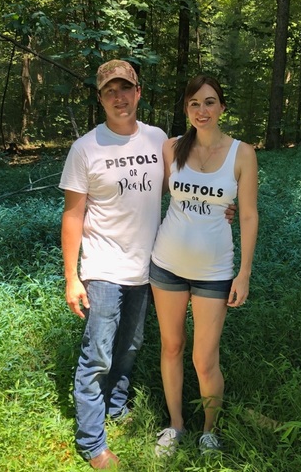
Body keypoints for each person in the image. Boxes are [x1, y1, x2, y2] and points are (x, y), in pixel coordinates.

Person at [59, 59, 167, 469]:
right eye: (110, 91)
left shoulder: (158, 139)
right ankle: (92, 442)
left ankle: (116, 406)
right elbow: (73, 215)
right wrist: (72, 276)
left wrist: (221, 209)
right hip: (102, 267)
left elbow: (182, 186)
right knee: (98, 356)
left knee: (130, 346)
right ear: (101, 98)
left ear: (138, 93)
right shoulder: (86, 148)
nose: (119, 97)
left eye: (125, 89)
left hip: (146, 266)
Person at [150, 75, 259, 457]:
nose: (202, 110)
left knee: (204, 359)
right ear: (186, 109)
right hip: (166, 265)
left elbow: (248, 214)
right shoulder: (171, 148)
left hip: (214, 272)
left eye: (209, 102)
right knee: (172, 346)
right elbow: (151, 195)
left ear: (222, 107)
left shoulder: (242, 154)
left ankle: (209, 432)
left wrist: (244, 273)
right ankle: (176, 425)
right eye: (194, 103)